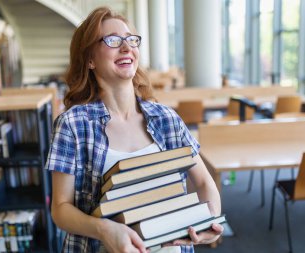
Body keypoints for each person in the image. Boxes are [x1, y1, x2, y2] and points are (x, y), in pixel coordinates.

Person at [45, 6, 223, 253]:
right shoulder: (73, 125)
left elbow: (204, 182)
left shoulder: (166, 118)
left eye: (131, 40)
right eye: (113, 40)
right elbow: (60, 209)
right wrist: (104, 229)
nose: (126, 47)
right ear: (90, 59)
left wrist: (210, 218)